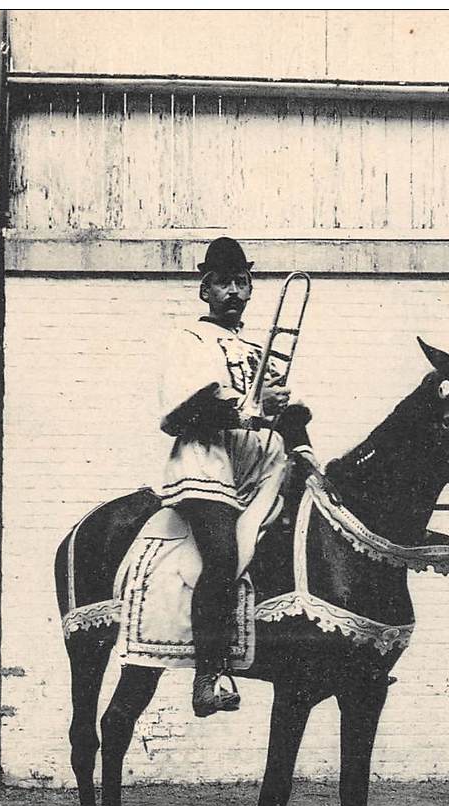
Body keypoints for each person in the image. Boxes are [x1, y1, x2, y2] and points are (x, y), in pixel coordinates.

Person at [158, 237, 317, 717]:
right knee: (223, 557)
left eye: (241, 282)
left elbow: (289, 412)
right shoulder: (190, 340)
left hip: (259, 468)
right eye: (223, 283)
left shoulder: (259, 349)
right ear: (205, 290)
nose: (233, 291)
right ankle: (208, 676)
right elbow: (187, 409)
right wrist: (252, 407)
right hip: (207, 467)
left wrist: (305, 453)